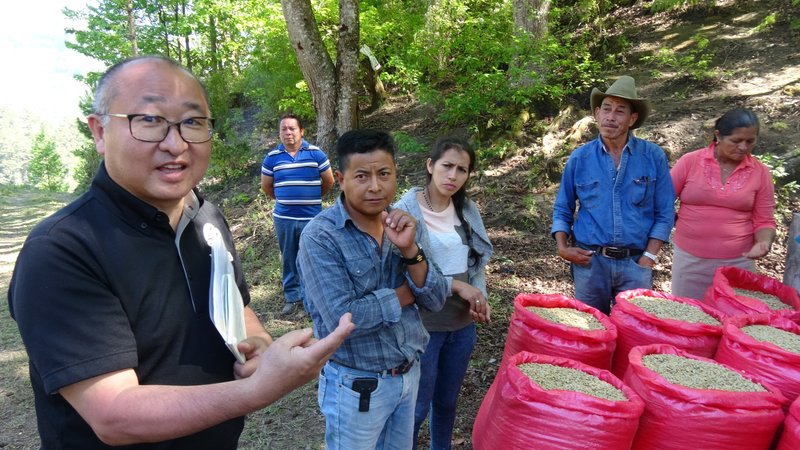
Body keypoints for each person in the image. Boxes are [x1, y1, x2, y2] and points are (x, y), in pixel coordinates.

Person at [7, 55, 353, 450]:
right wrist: (260, 388)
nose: (176, 144)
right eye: (150, 120)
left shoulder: (205, 216)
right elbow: (115, 414)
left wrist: (257, 343)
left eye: (192, 122)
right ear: (100, 132)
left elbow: (237, 306)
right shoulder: (62, 249)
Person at [297, 129, 448, 450]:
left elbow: (435, 298)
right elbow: (346, 319)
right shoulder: (320, 237)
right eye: (362, 176)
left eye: (384, 174)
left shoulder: (403, 225)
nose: (375, 186)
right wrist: (409, 293)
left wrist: (410, 252)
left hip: (408, 376)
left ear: (396, 174)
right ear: (340, 178)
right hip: (356, 386)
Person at [394, 137, 493, 450]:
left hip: (461, 325)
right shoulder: (404, 211)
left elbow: (476, 262)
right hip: (424, 327)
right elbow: (401, 270)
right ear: (430, 165)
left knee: (447, 402)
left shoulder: (466, 209)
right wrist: (455, 285)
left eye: (461, 170)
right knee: (417, 407)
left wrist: (479, 294)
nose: (453, 175)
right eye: (447, 165)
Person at [551, 75, 675, 314]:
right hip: (590, 262)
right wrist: (563, 247)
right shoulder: (580, 158)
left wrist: (649, 256)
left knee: (633, 330)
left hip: (635, 263)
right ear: (597, 114)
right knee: (591, 329)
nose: (610, 117)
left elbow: (665, 212)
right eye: (606, 109)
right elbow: (563, 207)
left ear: (632, 118)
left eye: (620, 111)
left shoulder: (652, 156)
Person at [670, 108, 776, 299]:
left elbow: (765, 220)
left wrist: (763, 242)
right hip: (690, 260)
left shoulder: (760, 172)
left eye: (750, 141)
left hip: (738, 262)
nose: (744, 147)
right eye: (736, 141)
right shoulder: (690, 162)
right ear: (717, 136)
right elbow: (662, 202)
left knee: (731, 317)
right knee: (689, 317)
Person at [261, 113, 335, 316]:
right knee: (289, 258)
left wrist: (311, 197)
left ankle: (310, 300)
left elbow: (329, 182)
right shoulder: (272, 158)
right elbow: (267, 187)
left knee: (310, 258)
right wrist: (286, 199)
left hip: (311, 218)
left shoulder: (316, 154)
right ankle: (293, 298)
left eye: (292, 128)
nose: (288, 133)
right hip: (284, 218)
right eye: (283, 129)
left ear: (301, 131)